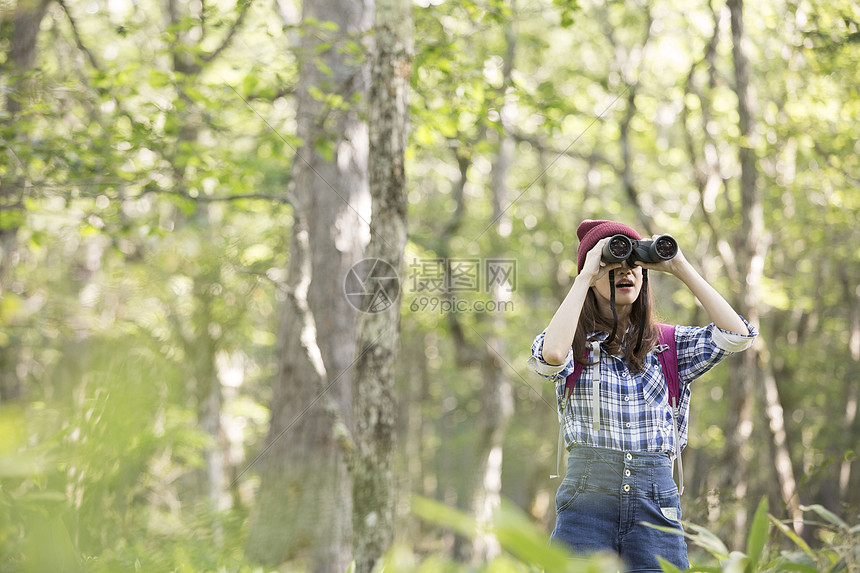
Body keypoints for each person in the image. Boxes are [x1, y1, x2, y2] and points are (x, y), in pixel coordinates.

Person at [527, 219, 757, 571]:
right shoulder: (571, 341)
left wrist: (679, 266)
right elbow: (552, 356)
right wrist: (585, 274)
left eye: (634, 265)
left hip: (655, 500)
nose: (626, 273)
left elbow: (738, 335)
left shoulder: (667, 344)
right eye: (612, 266)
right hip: (587, 498)